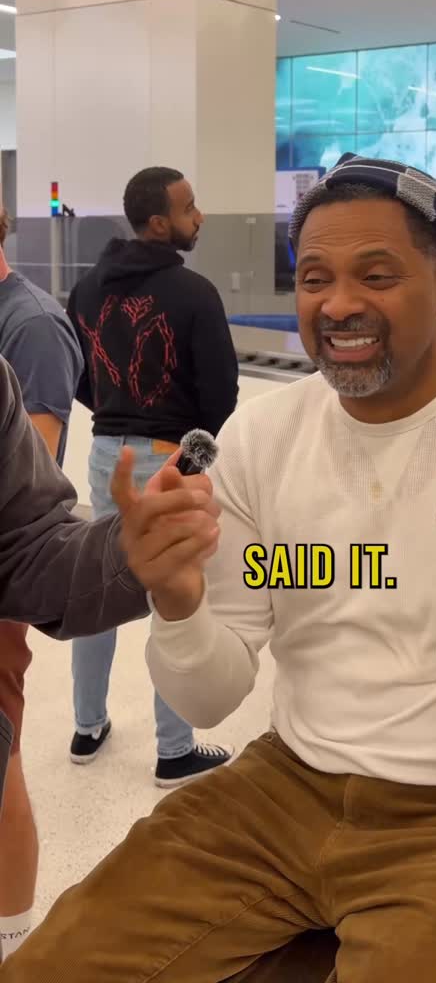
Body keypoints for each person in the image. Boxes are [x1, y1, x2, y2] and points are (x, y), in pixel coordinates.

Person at [7, 154, 436, 983]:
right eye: (314, 278)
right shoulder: (260, 440)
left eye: (376, 275)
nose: (339, 304)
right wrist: (181, 603)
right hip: (282, 786)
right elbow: (209, 697)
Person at [0, 350, 221, 964]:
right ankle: (157, 743)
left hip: (119, 455)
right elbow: (218, 387)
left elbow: (24, 546)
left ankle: (98, 726)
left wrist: (129, 549)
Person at [66, 167, 238, 786]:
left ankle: (87, 727)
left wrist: (119, 417)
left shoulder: (85, 290)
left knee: (100, 590)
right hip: (170, 457)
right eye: (190, 208)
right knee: (171, 591)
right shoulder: (194, 294)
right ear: (161, 223)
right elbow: (221, 395)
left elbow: (80, 377)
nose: (201, 216)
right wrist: (190, 459)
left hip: (106, 456)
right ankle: (174, 749)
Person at [0, 206, 83, 959]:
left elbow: (34, 462)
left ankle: (13, 939)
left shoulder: (30, 326)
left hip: (5, 579)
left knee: (6, 762)